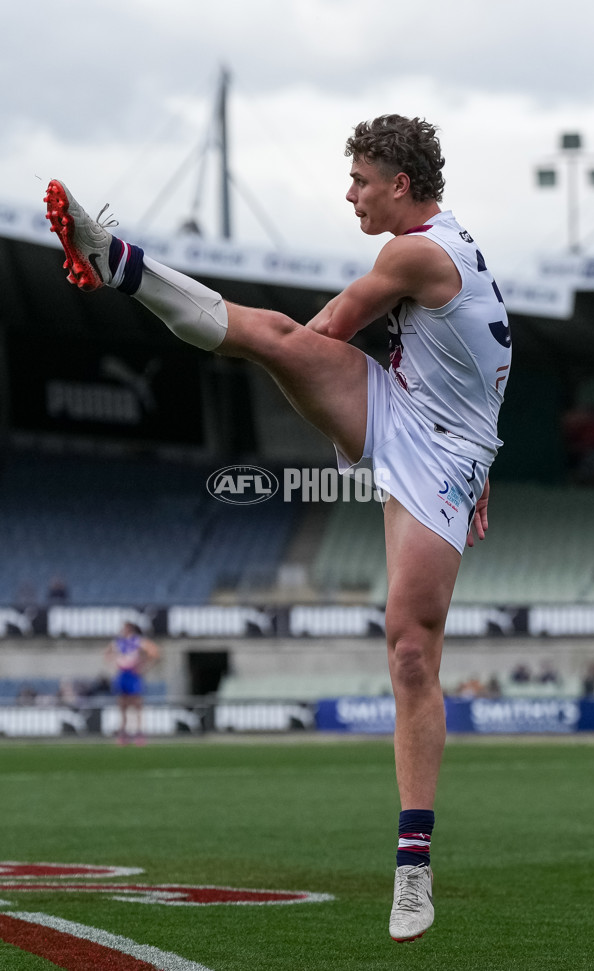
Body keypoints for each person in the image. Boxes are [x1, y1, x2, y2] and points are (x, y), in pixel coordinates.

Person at [44, 113, 511, 942]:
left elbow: (332, 329)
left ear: (400, 185)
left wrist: (299, 372)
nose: (350, 194)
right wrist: (295, 364)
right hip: (400, 407)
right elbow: (480, 361)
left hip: (444, 453)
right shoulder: (441, 247)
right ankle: (118, 261)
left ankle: (413, 868)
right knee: (274, 337)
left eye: (361, 180)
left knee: (410, 649)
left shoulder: (414, 254)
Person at [104, 621, 160, 745]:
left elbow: (154, 652)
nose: (122, 630)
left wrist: (144, 667)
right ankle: (123, 733)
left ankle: (139, 733)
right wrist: (113, 665)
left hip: (133, 675)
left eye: (124, 628)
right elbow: (107, 653)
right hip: (122, 674)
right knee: (122, 705)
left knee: (137, 705)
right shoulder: (118, 642)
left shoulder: (138, 641)